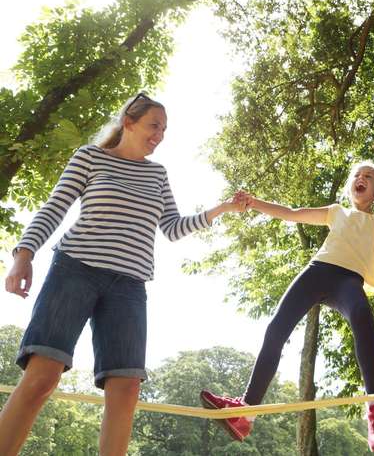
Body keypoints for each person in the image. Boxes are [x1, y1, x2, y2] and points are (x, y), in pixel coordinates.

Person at [0, 92, 247, 456]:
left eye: (164, 129)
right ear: (128, 122)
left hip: (129, 286)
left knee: (127, 389)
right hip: (75, 271)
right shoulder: (90, 157)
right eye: (154, 125)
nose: (160, 134)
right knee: (43, 376)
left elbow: (174, 227)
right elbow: (54, 208)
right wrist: (24, 254)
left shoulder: (157, 175)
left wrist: (222, 208)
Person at [200, 161, 374, 452]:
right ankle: (246, 411)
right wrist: (254, 203)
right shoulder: (336, 212)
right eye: (357, 175)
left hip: (348, 281)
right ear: (350, 186)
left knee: (362, 316)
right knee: (276, 328)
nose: (361, 178)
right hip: (316, 272)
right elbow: (292, 214)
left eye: (368, 177)